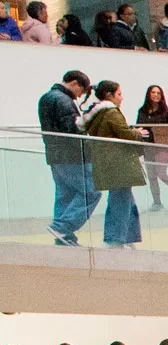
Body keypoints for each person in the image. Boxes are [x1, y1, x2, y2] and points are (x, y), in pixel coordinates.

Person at [82, 80, 146, 250]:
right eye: (119, 94)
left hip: (108, 162)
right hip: (119, 164)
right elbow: (125, 134)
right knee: (120, 201)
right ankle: (115, 239)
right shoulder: (112, 113)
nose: (121, 98)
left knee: (126, 201)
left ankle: (127, 238)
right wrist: (137, 132)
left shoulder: (97, 114)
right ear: (109, 95)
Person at [41, 71, 97, 247]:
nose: (80, 95)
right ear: (74, 83)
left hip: (54, 155)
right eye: (81, 90)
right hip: (71, 156)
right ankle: (62, 228)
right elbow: (72, 129)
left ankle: (64, 238)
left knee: (65, 195)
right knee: (91, 191)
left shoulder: (46, 97)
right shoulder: (64, 101)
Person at [134, 85, 168, 213]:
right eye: (153, 92)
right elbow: (139, 129)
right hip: (148, 147)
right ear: (149, 94)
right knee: (152, 176)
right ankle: (157, 203)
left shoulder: (167, 113)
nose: (156, 95)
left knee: (161, 174)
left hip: (162, 146)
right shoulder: (142, 111)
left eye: (158, 93)